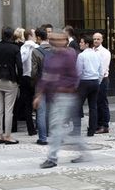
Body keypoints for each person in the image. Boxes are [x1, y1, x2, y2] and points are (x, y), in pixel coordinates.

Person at [35, 32, 85, 168]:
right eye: (53, 39)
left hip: (65, 95)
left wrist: (65, 86)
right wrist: (39, 94)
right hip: (54, 96)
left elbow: (74, 76)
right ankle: (82, 150)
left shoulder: (69, 55)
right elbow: (45, 76)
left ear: (64, 41)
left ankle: (52, 158)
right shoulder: (50, 57)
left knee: (57, 127)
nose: (55, 42)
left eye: (59, 39)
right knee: (60, 128)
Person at [0, 27, 23, 144]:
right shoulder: (15, 48)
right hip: (10, 79)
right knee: (9, 110)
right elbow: (19, 66)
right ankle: (8, 136)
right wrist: (19, 80)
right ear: (11, 36)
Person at [72, 35, 103, 137]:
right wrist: (98, 81)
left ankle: (76, 131)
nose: (80, 44)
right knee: (93, 107)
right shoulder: (97, 55)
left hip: (84, 82)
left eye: (81, 42)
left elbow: (78, 72)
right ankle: (92, 131)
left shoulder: (81, 56)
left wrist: (75, 85)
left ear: (87, 44)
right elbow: (101, 71)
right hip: (95, 82)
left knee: (77, 106)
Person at [31, 27, 52, 145]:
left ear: (38, 37)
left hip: (41, 84)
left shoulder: (36, 51)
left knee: (41, 112)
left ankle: (43, 138)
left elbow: (33, 72)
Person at [93, 32, 111, 134]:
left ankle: (105, 125)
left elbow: (103, 69)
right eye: (94, 39)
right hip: (95, 79)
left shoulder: (105, 52)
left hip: (102, 80)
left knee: (102, 102)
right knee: (96, 103)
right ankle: (98, 124)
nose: (96, 41)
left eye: (98, 39)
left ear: (102, 40)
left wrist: (98, 82)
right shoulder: (92, 50)